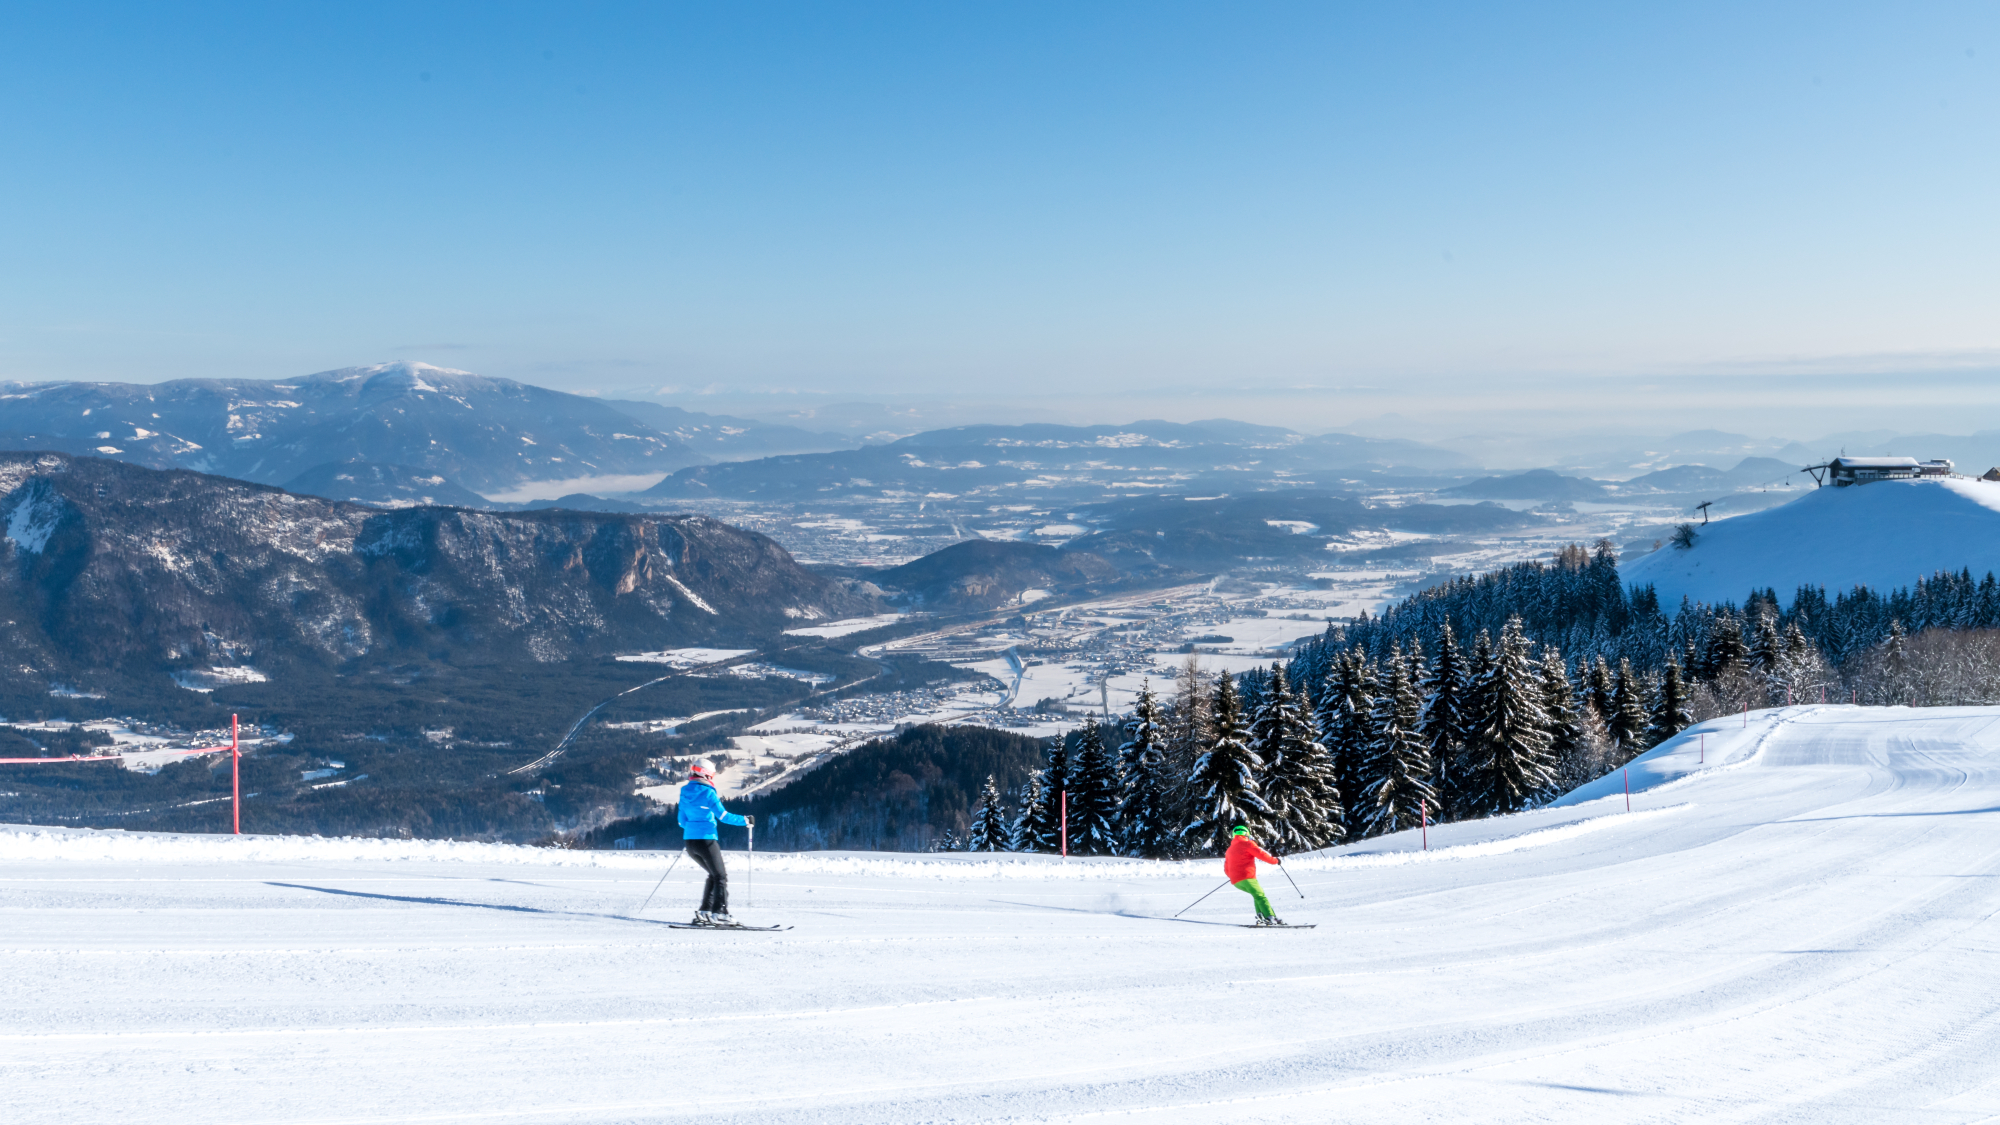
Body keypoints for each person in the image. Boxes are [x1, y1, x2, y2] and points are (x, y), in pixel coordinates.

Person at [678, 759, 752, 926]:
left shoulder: (684, 792)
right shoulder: (708, 792)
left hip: (690, 843)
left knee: (713, 874)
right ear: (706, 774)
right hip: (707, 841)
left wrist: (693, 826)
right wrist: (746, 820)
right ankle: (720, 913)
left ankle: (704, 911)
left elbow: (682, 821)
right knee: (720, 876)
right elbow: (723, 816)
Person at [1223, 824, 1284, 926]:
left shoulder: (1229, 849)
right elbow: (1262, 855)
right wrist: (1275, 861)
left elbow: (1226, 868)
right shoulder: (1248, 844)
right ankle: (1270, 917)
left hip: (1236, 882)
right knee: (1260, 896)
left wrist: (1234, 876)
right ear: (1247, 834)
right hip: (1247, 878)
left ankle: (1261, 916)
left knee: (1256, 895)